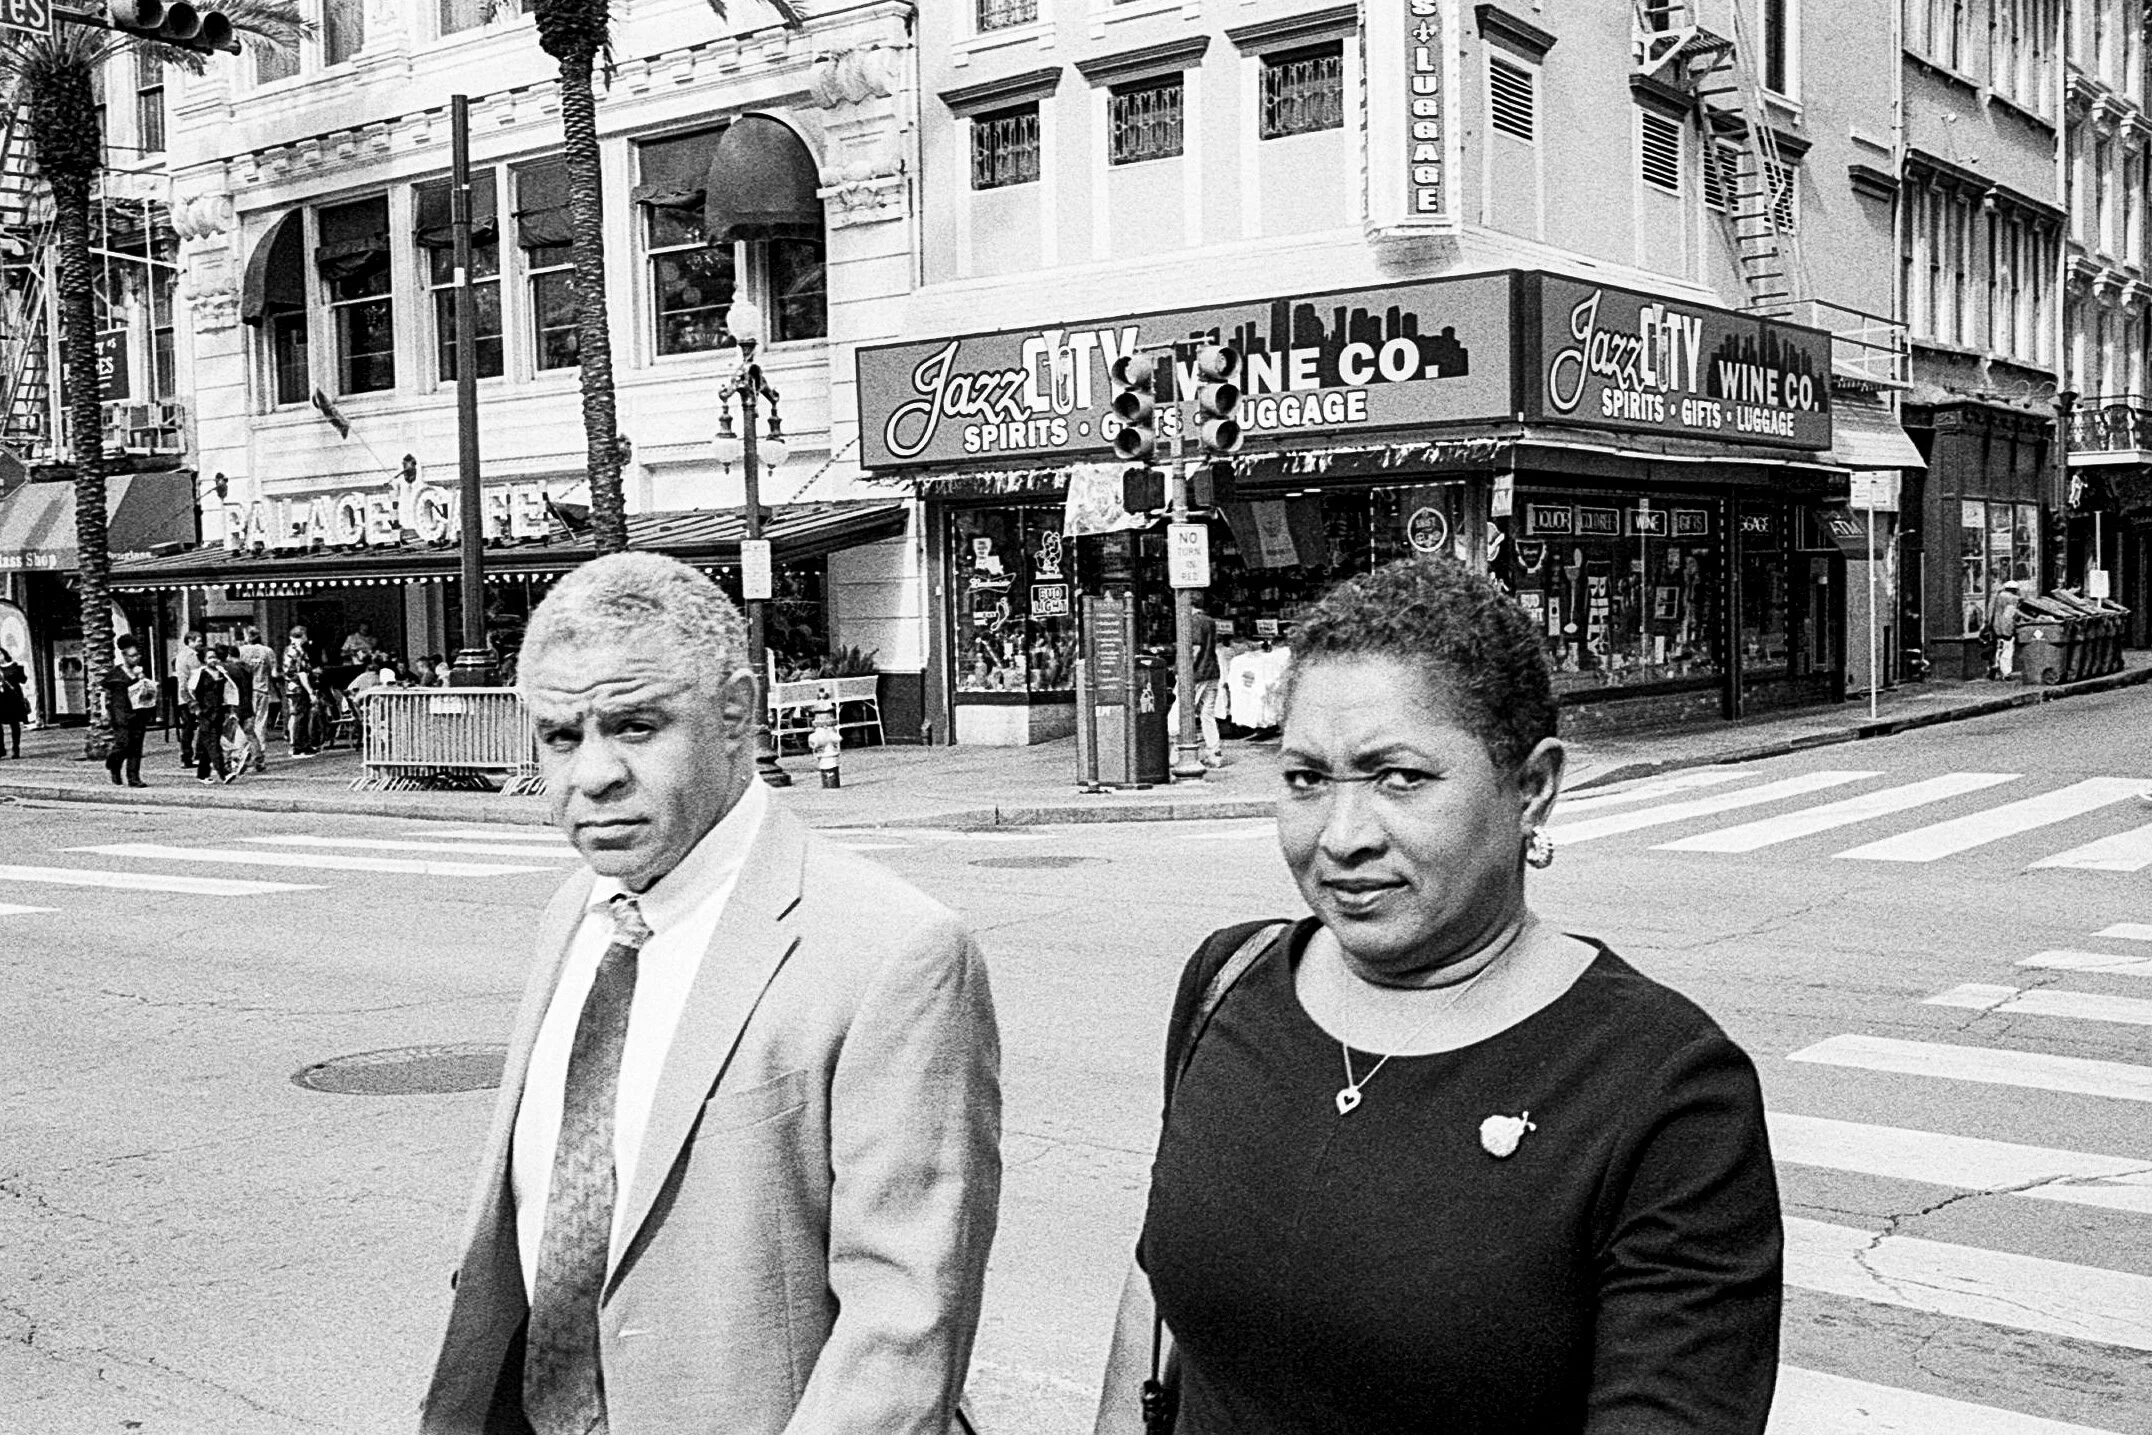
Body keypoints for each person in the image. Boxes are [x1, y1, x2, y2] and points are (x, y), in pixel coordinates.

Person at [1095, 558, 1782, 1435]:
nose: (1342, 837)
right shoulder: (1229, 983)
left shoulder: (1667, 1091)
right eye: (1306, 778)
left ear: (1531, 787)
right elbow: (1154, 1295)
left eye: (1400, 778)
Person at [421, 552, 1002, 1435]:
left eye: (636, 726)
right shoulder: (578, 912)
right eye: (560, 736)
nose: (593, 774)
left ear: (737, 712)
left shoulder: (895, 951)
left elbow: (902, 1327)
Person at [99, 634, 155, 787]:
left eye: (137, 655)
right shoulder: (115, 674)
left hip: (138, 713)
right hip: (120, 713)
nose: (135, 658)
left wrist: (142, 678)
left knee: (136, 747)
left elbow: (148, 691)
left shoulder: (140, 673)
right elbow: (104, 692)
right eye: (132, 656)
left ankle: (133, 777)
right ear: (124, 656)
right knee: (123, 744)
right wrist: (104, 711)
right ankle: (114, 764)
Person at [189, 646, 234, 785]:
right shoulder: (200, 675)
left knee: (206, 745)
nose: (213, 660)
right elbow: (191, 692)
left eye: (214, 657)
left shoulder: (221, 673)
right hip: (206, 713)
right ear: (203, 660)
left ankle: (202, 774)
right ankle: (224, 773)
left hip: (218, 712)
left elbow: (228, 690)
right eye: (209, 657)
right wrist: (197, 708)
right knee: (213, 743)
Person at [1188, 595, 1224, 767]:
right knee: (1207, 714)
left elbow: (1195, 647)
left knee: (1181, 711)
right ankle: (1214, 751)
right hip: (1212, 671)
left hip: (1197, 673)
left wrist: (1186, 669)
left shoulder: (1194, 621)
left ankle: (1177, 750)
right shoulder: (1210, 621)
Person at [237, 625, 277, 773]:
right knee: (260, 723)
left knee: (245, 723)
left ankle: (242, 752)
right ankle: (259, 753)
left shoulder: (241, 651)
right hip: (263, 690)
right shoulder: (268, 651)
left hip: (246, 692)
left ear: (247, 636)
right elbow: (274, 673)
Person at [172, 631, 206, 768]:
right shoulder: (191, 656)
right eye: (198, 641)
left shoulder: (181, 655)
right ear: (190, 641)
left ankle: (186, 757)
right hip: (190, 695)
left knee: (188, 726)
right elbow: (196, 675)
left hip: (183, 696)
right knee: (192, 726)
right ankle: (192, 755)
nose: (201, 643)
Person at [284, 628, 319, 755]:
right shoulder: (298, 651)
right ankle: (299, 746)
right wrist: (310, 691)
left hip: (291, 686)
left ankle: (301, 744)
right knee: (301, 716)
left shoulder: (289, 649)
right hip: (299, 687)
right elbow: (301, 673)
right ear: (302, 636)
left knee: (299, 715)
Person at [1985, 579, 2024, 680]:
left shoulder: (1995, 597)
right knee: (2007, 650)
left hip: (1995, 627)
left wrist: (1990, 625)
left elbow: (1989, 613)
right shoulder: (2013, 600)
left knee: (1997, 649)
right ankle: (2006, 673)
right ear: (2014, 590)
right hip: (2006, 629)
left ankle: (1994, 666)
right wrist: (2010, 631)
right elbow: (2008, 617)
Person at [0, 646, 26, 758]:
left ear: (4, 654)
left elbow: (23, 680)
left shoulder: (14, 666)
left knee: (14, 724)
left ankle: (16, 748)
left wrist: (18, 670)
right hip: (0, 699)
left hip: (13, 699)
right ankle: (1, 749)